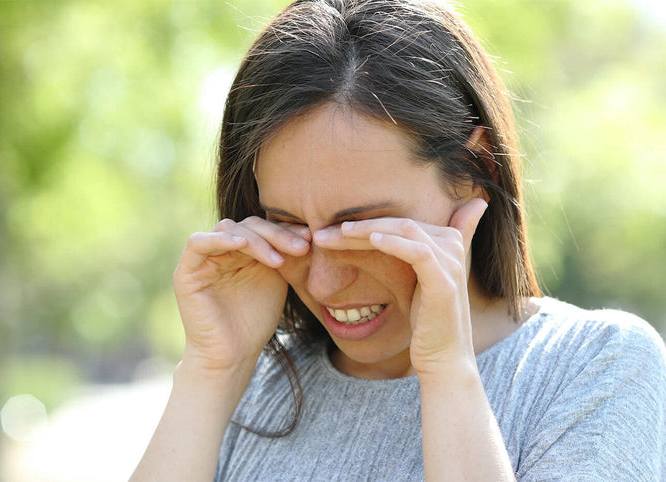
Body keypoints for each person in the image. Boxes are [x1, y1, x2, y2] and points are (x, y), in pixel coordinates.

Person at [131, 0, 666, 480]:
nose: (325, 281)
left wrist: (446, 372)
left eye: (362, 229)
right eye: (289, 224)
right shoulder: (251, 385)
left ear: (475, 168)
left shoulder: (597, 368)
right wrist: (211, 373)